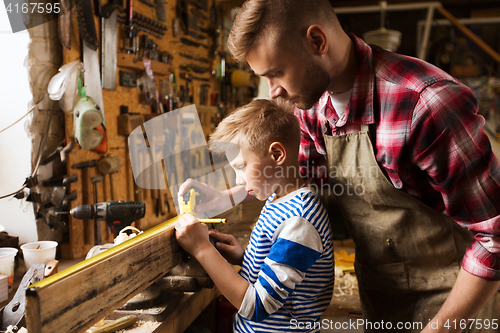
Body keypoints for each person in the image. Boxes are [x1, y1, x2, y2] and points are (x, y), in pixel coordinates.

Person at [178, 0, 500, 332]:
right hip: (381, 298)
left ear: (317, 41)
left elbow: (495, 238)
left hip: (454, 307)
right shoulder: (312, 107)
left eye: (276, 72)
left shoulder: (427, 104)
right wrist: (225, 200)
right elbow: (305, 184)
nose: (274, 91)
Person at [175, 99, 335, 332]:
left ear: (277, 154)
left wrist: (202, 249)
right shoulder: (277, 198)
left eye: (241, 167)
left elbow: (257, 305)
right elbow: (285, 270)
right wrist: (246, 258)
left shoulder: (299, 222)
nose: (238, 179)